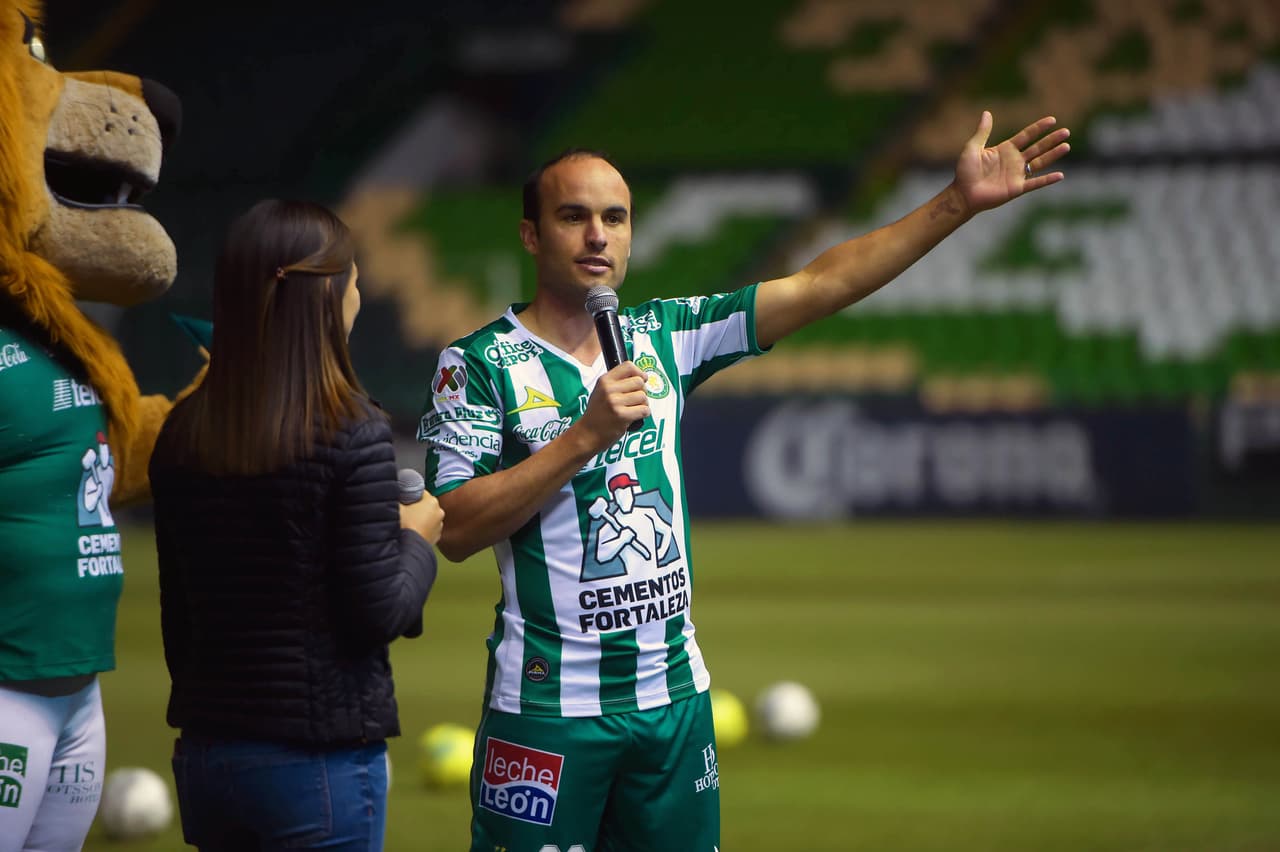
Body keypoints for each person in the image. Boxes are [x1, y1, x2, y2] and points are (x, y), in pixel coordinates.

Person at [417, 111, 1070, 850]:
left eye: (614, 218)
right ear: (532, 235)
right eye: (573, 217)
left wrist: (955, 204)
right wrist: (585, 437)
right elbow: (457, 528)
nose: (598, 236)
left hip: (675, 706)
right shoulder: (476, 365)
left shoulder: (667, 335)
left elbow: (820, 284)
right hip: (545, 713)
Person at [149, 199, 444, 851]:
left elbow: (179, 619)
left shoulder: (183, 429)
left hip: (207, 761)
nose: (361, 292)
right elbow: (378, 613)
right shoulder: (354, 432)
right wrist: (418, 536)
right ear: (329, 294)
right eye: (356, 279)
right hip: (318, 767)